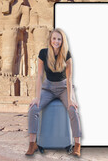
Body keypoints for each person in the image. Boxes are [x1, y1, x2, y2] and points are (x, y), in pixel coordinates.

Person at [26, 28, 82, 157]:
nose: (56, 41)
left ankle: (77, 145)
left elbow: (69, 78)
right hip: (48, 88)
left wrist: (70, 99)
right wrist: (37, 97)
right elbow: (39, 75)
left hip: (63, 87)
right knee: (34, 109)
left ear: (62, 41)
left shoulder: (67, 54)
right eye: (54, 38)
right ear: (50, 40)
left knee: (73, 109)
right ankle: (32, 144)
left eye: (59, 39)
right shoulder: (43, 53)